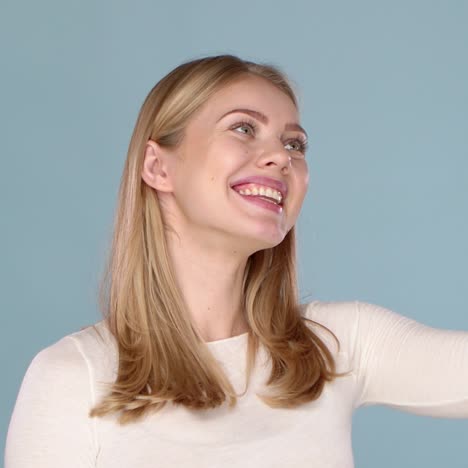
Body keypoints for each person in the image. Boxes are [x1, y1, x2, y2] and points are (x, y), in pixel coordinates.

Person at [4, 54, 468, 468]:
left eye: (295, 144)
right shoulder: (74, 377)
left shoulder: (336, 348)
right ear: (158, 167)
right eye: (243, 128)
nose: (281, 158)